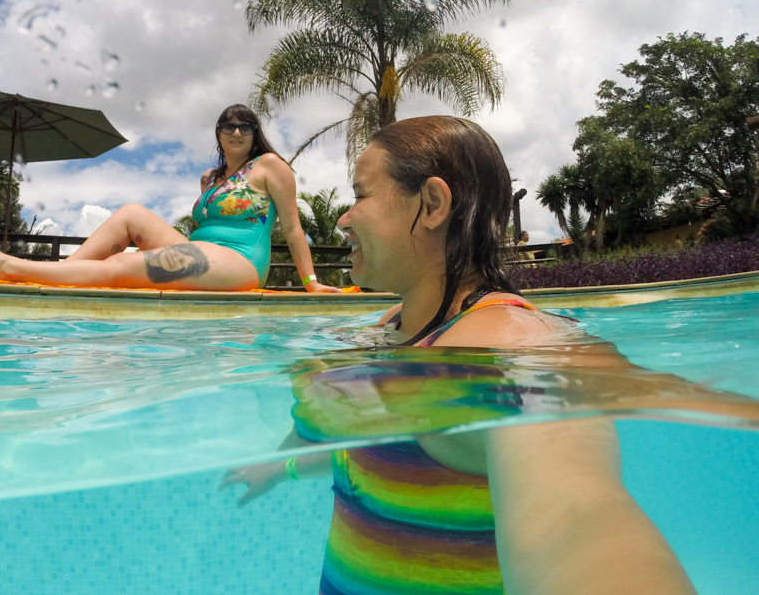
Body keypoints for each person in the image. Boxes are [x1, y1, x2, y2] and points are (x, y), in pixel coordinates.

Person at [221, 116, 698, 595]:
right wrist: (279, 465)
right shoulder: (393, 325)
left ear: (431, 205)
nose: (344, 218)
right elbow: (374, 441)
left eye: (361, 194)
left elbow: (575, 520)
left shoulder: (509, 344)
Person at [0, 104, 341, 293]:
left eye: (246, 126)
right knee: (131, 213)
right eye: (229, 125)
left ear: (254, 132)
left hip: (240, 263)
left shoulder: (270, 165)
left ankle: (14, 269)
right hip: (202, 253)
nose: (237, 131)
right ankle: (58, 278)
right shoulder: (209, 179)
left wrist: (310, 281)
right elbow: (202, 233)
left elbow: (292, 228)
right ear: (219, 133)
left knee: (125, 266)